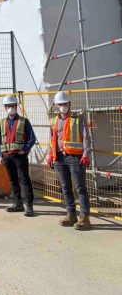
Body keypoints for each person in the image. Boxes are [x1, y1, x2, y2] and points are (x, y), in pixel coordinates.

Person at [46, 91, 92, 230]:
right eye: (60, 104)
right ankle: (71, 215)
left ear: (69, 104)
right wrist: (50, 155)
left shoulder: (78, 117)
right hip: (59, 158)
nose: (62, 106)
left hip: (75, 157)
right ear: (56, 105)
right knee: (66, 188)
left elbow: (86, 136)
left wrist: (86, 154)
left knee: (80, 188)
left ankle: (84, 218)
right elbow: (51, 139)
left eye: (65, 104)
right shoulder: (54, 120)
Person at [0, 95, 36, 217]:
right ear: (5, 108)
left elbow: (32, 138)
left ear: (16, 106)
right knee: (13, 180)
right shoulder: (2, 122)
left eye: (13, 106)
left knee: (24, 180)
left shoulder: (24, 121)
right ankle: (17, 203)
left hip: (19, 156)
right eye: (8, 106)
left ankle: (29, 205)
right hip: (7, 157)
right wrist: (0, 155)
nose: (11, 108)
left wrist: (25, 150)